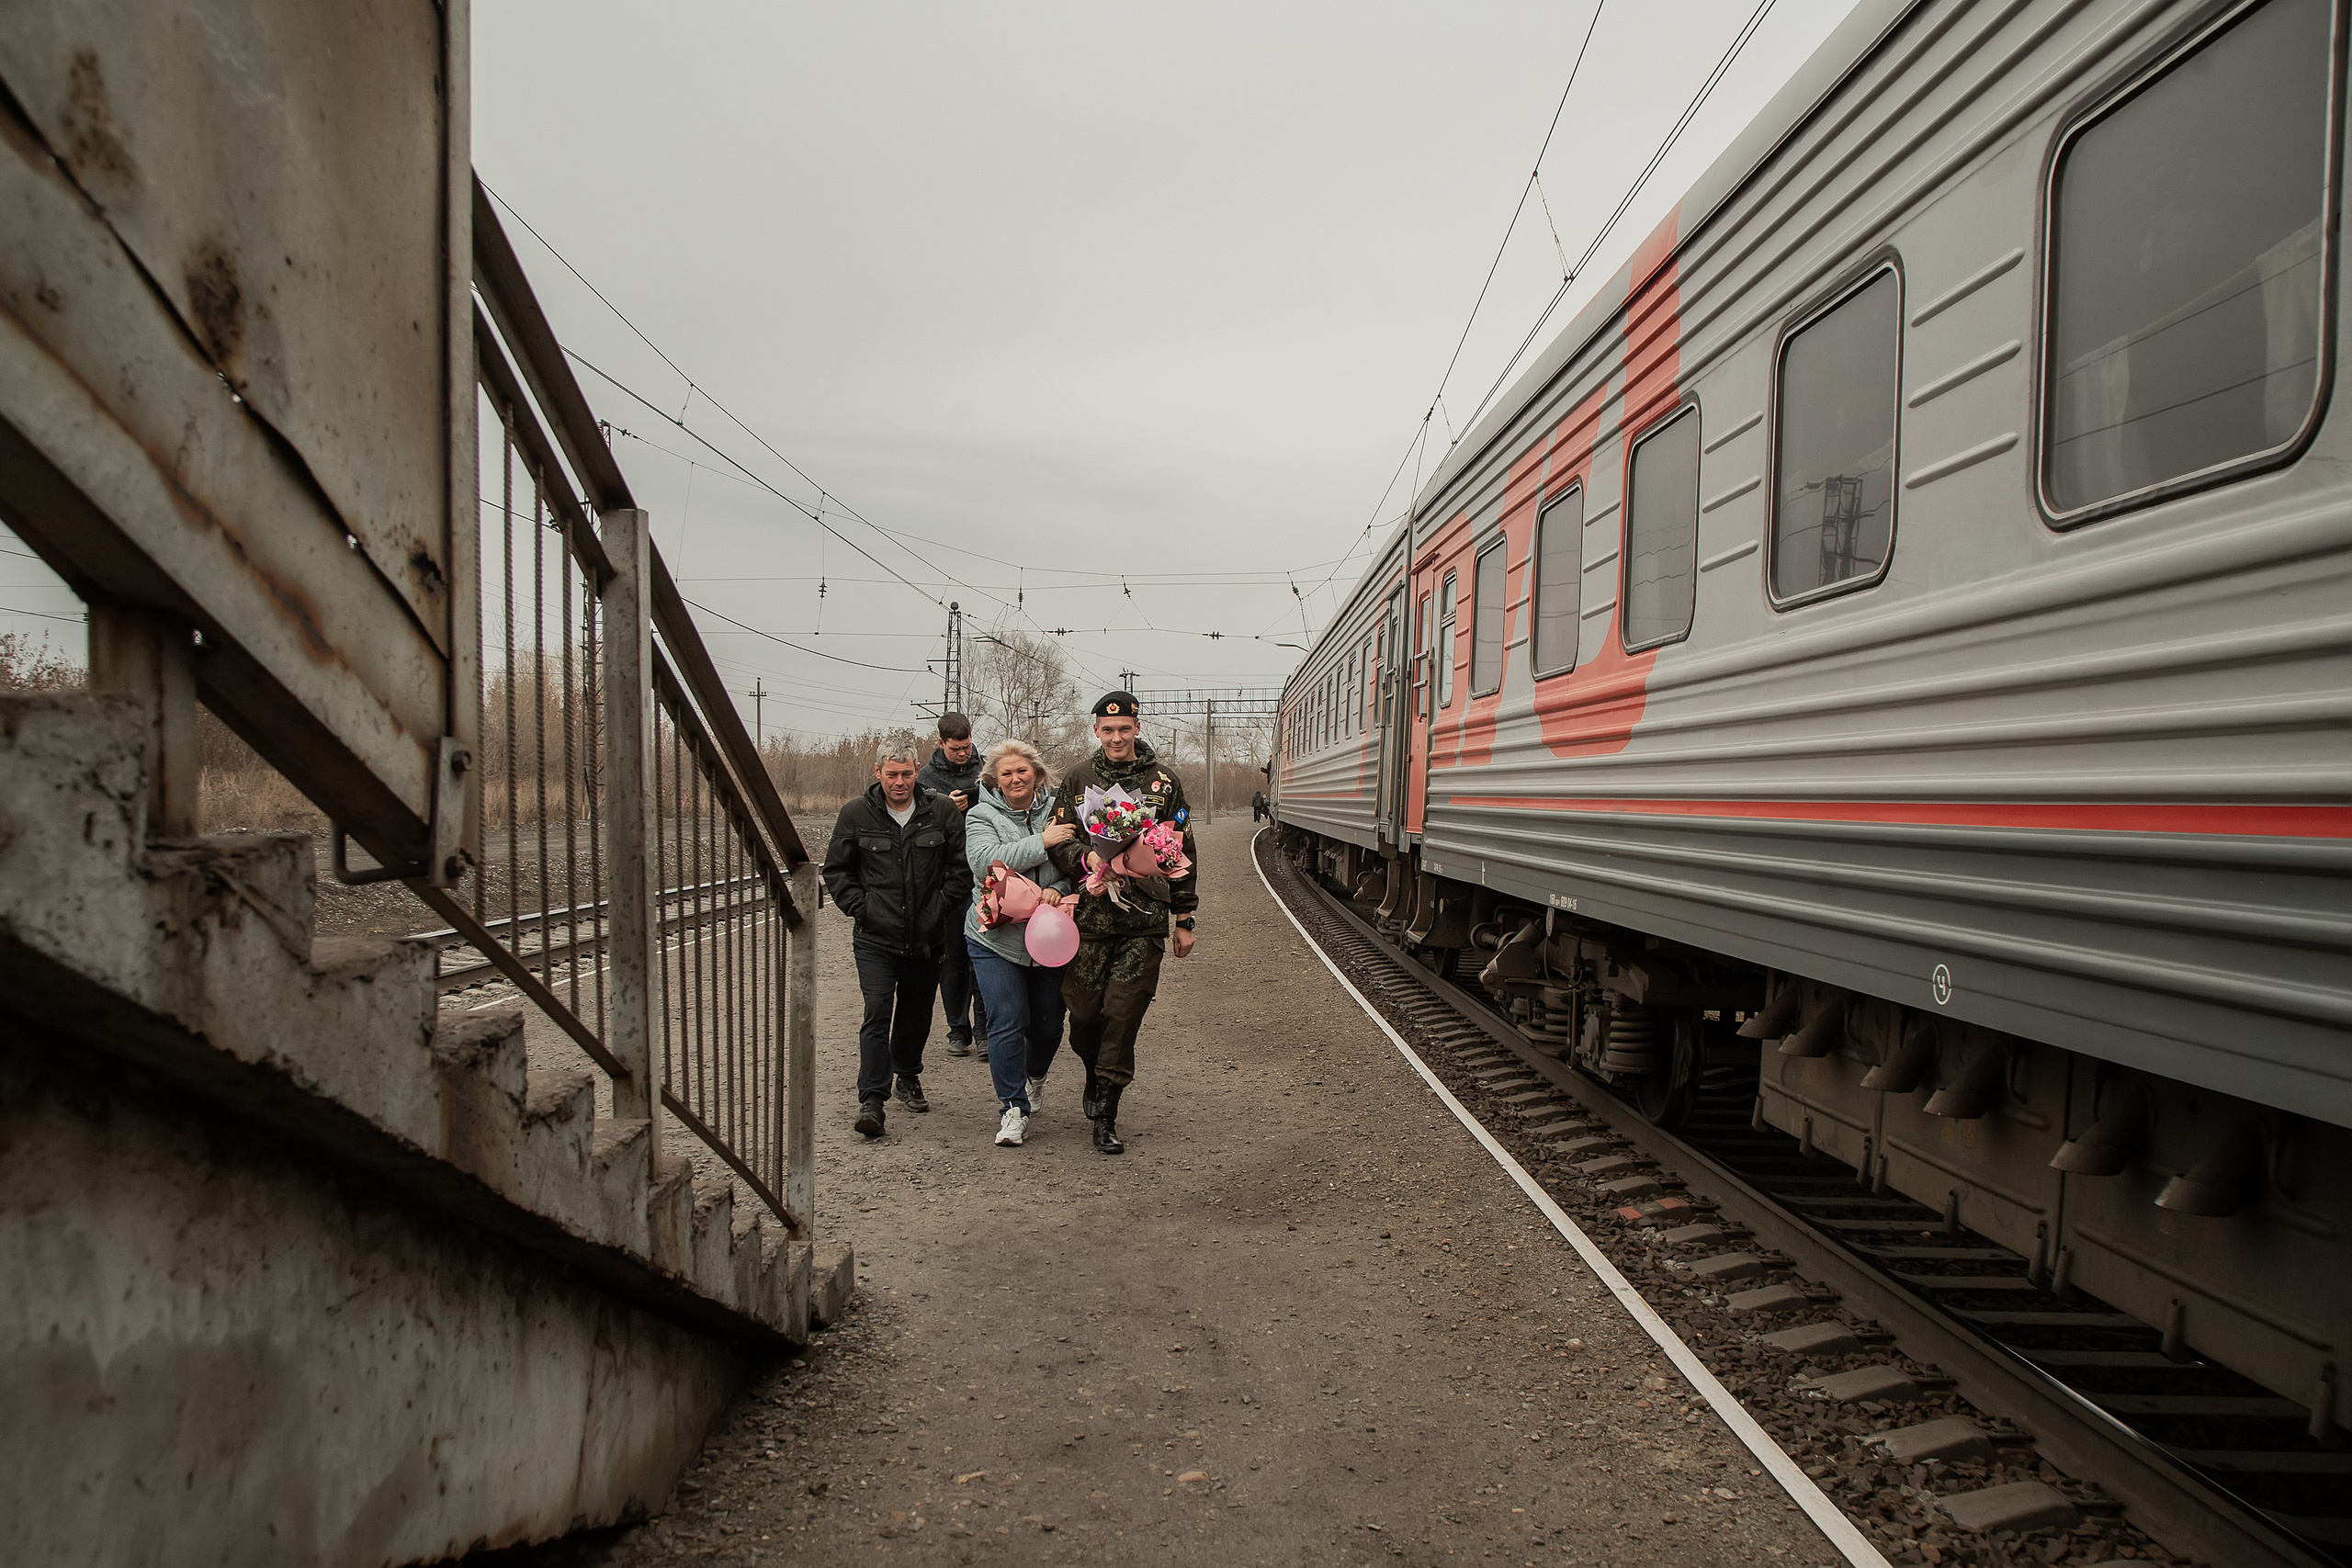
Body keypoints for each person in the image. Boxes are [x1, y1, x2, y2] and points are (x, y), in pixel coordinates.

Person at [1046, 691, 1198, 1155]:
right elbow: (1057, 840)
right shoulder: (1077, 778)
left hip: (1143, 920)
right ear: (1096, 730)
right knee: (1085, 1013)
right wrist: (1087, 857)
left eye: (1124, 728)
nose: (1116, 736)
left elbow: (1182, 850)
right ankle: (1093, 1071)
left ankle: (1108, 1111)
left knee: (1124, 1015)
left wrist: (1184, 917)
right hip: (1090, 918)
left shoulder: (1163, 783)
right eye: (1107, 730)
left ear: (1137, 728)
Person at [822, 734, 970, 1139]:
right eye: (892, 775)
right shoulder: (856, 814)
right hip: (875, 938)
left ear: (917, 771)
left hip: (927, 937)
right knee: (877, 1010)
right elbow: (837, 871)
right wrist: (861, 907)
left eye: (907, 774)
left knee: (916, 1014)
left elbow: (961, 868)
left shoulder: (940, 811)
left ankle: (907, 1074)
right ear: (877, 773)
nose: (900, 782)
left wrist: (940, 907)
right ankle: (872, 1099)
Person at [961, 739, 1078, 1148]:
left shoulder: (1058, 812)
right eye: (1006, 773)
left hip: (1049, 934)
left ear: (1037, 775)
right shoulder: (980, 815)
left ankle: (1035, 1077)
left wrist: (1059, 887)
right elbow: (984, 862)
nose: (1014, 779)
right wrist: (1042, 842)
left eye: (1022, 771)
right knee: (1006, 1020)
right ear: (995, 780)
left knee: (1047, 1024)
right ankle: (1012, 1107)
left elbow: (1071, 865)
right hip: (995, 936)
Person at [918, 713, 989, 1058]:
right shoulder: (925, 778)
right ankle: (956, 1031)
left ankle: (985, 1029)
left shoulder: (986, 770)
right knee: (953, 958)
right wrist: (945, 807)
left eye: (966, 747)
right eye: (956, 748)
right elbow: (916, 822)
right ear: (941, 743)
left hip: (981, 875)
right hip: (945, 878)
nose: (963, 753)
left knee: (984, 956)